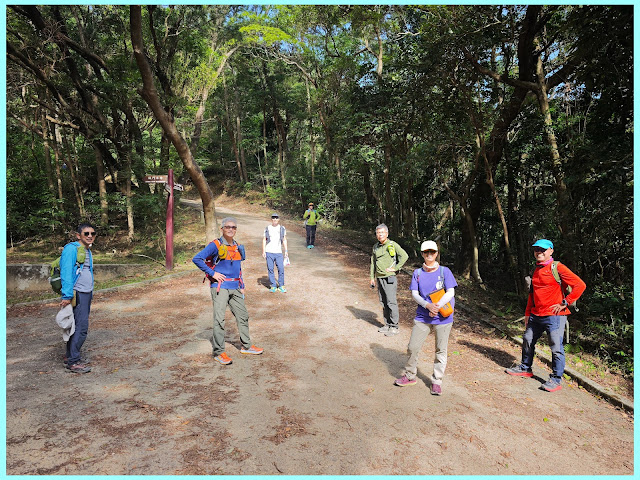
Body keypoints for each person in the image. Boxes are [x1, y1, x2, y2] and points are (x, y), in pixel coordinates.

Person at [506, 239, 586, 392]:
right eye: (536, 249)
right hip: (536, 314)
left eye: (542, 249)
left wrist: (566, 302)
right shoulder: (536, 269)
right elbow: (532, 295)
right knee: (528, 339)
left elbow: (580, 285)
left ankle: (556, 379)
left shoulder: (558, 267)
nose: (539, 252)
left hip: (555, 315)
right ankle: (525, 368)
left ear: (551, 251)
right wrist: (527, 313)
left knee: (556, 347)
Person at [192, 217, 264, 365]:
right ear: (222, 229)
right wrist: (213, 274)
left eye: (234, 227)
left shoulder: (237, 246)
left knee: (243, 316)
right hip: (220, 287)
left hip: (235, 287)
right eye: (228, 227)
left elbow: (238, 268)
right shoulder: (216, 245)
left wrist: (242, 285)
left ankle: (247, 346)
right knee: (219, 320)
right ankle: (219, 352)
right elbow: (197, 259)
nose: (231, 229)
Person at [394, 241, 458, 395]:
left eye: (432, 252)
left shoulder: (444, 271)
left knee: (441, 350)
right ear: (422, 254)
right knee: (413, 347)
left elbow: (451, 292)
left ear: (437, 253)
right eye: (426, 252)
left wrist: (436, 306)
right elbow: (415, 294)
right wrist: (427, 305)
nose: (430, 255)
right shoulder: (417, 273)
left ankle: (437, 381)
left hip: (443, 318)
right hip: (423, 316)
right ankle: (410, 375)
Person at [59, 223, 96, 374]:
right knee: (81, 328)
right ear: (78, 235)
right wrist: (67, 295)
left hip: (86, 292)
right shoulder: (71, 249)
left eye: (92, 233)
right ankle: (73, 362)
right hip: (77, 293)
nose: (90, 236)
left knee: (77, 327)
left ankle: (70, 356)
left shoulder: (86, 249)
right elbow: (66, 271)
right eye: (86, 233)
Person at [369, 224, 408, 336]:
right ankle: (387, 324)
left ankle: (394, 326)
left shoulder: (392, 244)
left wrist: (396, 268)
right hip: (379, 277)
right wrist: (372, 277)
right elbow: (373, 262)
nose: (380, 235)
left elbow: (404, 256)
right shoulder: (375, 246)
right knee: (383, 301)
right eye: (378, 233)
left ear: (387, 233)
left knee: (391, 302)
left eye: (382, 232)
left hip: (389, 277)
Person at [262, 212, 289, 293]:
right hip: (269, 251)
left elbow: (284, 239)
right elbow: (264, 240)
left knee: (281, 268)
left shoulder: (282, 228)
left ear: (279, 219)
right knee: (270, 269)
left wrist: (286, 250)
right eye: (273, 218)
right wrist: (263, 251)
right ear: (271, 219)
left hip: (278, 252)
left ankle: (281, 285)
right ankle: (273, 285)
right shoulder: (267, 228)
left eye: (276, 218)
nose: (275, 219)